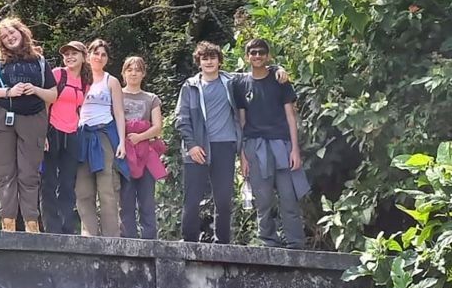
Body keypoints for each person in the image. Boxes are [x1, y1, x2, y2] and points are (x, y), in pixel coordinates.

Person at [176, 41, 288, 244]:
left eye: (213, 58)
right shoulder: (190, 86)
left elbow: (257, 72)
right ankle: (188, 242)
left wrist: (277, 69)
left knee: (223, 200)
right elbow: (182, 119)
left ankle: (223, 244)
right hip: (197, 148)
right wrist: (191, 145)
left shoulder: (232, 81)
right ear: (199, 62)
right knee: (192, 199)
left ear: (219, 61)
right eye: (205, 58)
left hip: (225, 146)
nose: (209, 62)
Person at [0, 17, 57, 232]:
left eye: (12, 33)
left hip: (34, 118)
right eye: (4, 36)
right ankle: (8, 223)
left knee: (29, 173)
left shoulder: (40, 61)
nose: (9, 38)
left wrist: (35, 90)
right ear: (0, 41)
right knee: (5, 173)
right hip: (0, 116)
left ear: (22, 33)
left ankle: (32, 222)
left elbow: (52, 94)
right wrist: (8, 92)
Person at [235, 38, 309, 249]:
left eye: (261, 52)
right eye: (253, 53)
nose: (257, 56)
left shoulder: (280, 81)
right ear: (247, 56)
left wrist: (295, 149)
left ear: (268, 56)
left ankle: (295, 243)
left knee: (288, 197)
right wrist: (242, 156)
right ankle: (268, 243)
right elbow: (241, 121)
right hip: (254, 147)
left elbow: (290, 117)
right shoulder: (240, 84)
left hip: (282, 145)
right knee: (263, 200)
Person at [75, 39, 128, 238]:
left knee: (107, 189)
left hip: (104, 135)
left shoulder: (111, 81)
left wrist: (122, 141)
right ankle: (88, 235)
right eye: (95, 53)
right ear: (88, 55)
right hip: (81, 136)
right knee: (83, 189)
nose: (99, 57)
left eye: (103, 54)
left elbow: (119, 113)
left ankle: (111, 238)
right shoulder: (79, 78)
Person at [41, 41, 92, 234]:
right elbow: (46, 103)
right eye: (66, 54)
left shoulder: (86, 81)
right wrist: (43, 133)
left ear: (83, 56)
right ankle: (51, 227)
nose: (69, 57)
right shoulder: (57, 74)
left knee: (68, 181)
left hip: (72, 133)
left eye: (74, 53)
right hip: (52, 130)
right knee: (49, 180)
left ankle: (67, 226)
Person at [119, 56, 167, 239]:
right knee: (126, 200)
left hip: (146, 154)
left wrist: (140, 136)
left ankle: (150, 242)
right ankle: (128, 241)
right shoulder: (117, 94)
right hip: (124, 154)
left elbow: (157, 127)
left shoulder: (151, 98)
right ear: (123, 73)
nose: (133, 73)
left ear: (143, 73)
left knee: (147, 200)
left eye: (137, 69)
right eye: (129, 69)